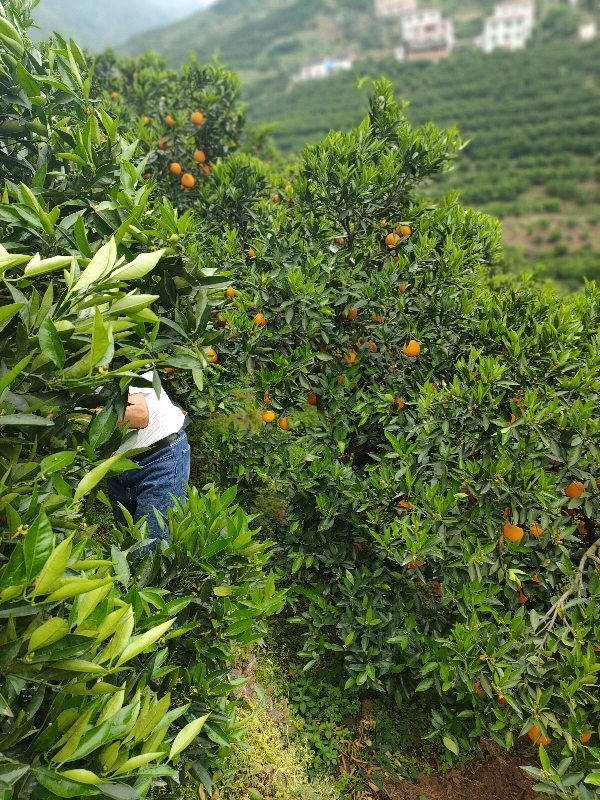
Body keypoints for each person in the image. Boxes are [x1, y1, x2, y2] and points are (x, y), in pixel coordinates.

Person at [106, 371, 190, 553]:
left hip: (160, 459)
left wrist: (78, 412)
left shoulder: (126, 352)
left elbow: (139, 415)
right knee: (127, 545)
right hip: (116, 465)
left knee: (150, 553)